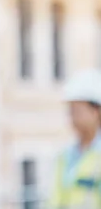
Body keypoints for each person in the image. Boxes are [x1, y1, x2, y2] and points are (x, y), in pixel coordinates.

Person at [49, 69, 101, 209]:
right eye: (70, 110)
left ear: (96, 111)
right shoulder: (64, 155)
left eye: (77, 110)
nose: (72, 117)